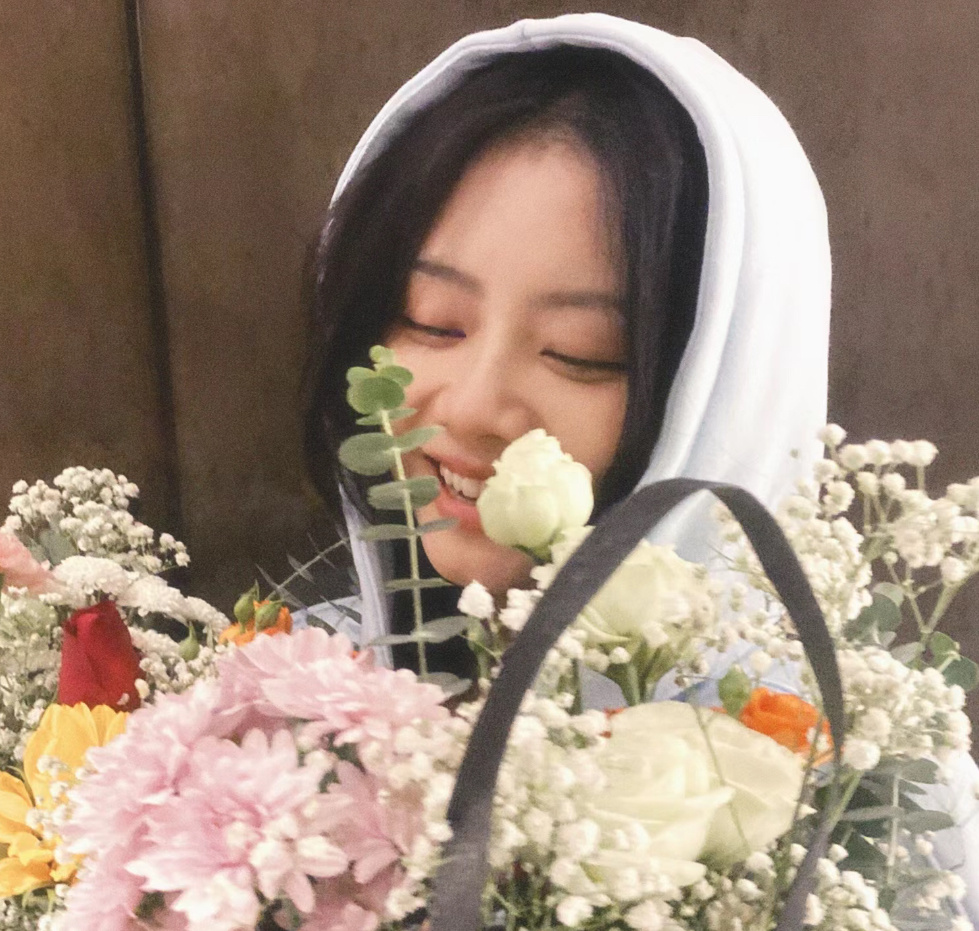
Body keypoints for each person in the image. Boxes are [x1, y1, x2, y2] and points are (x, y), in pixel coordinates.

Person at [299, 13, 978, 919]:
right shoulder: (291, 700)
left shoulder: (869, 805)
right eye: (430, 319)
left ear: (726, 385)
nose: (471, 406)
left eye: (581, 352)